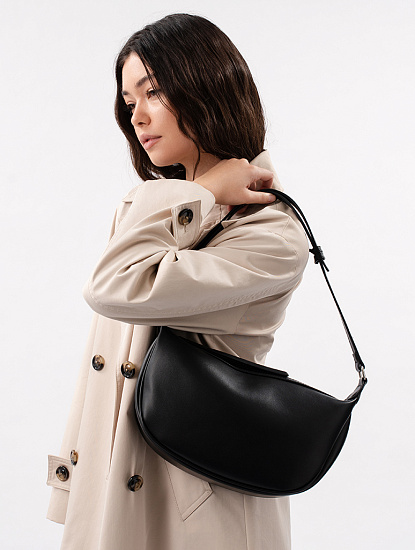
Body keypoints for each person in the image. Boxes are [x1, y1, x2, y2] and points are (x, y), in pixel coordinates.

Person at [46, 13, 309, 550]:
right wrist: (74, 486)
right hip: (119, 485)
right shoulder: (160, 210)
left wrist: (203, 192)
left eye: (154, 92)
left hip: (203, 504)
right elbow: (103, 363)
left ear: (207, 85)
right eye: (128, 102)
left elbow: (113, 287)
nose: (138, 117)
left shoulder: (270, 234)